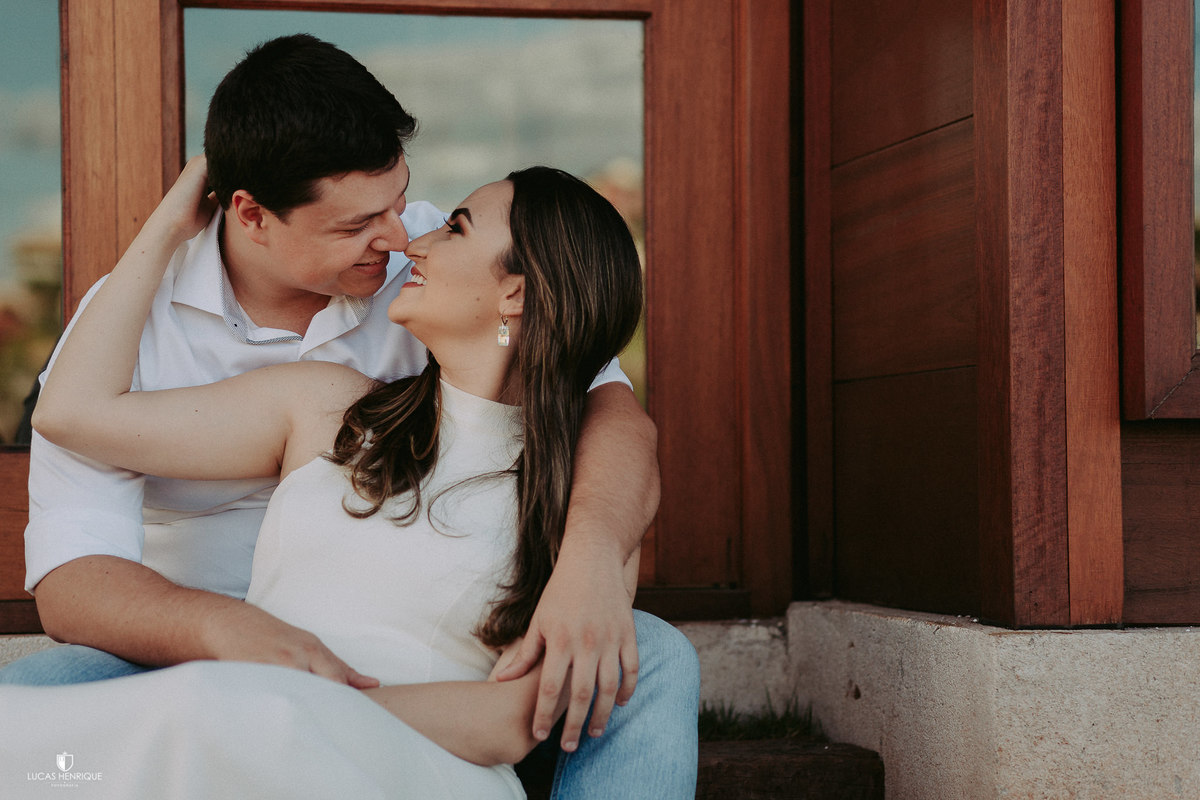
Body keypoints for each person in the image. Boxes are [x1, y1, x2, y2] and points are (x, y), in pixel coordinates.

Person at [1, 34, 699, 796]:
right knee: (39, 712)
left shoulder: (420, 257)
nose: (404, 238)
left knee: (642, 653)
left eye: (404, 204)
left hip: (378, 710)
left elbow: (607, 406)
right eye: (357, 225)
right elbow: (73, 564)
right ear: (250, 214)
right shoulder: (167, 339)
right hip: (183, 635)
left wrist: (591, 562)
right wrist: (225, 636)